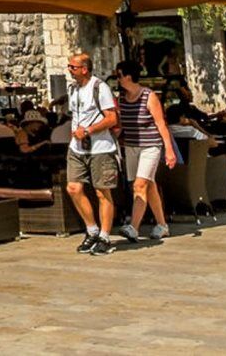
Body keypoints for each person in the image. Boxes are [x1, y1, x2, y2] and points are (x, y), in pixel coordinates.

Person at [112, 63, 179, 243]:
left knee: (139, 185)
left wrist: (169, 150)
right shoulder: (122, 99)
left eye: (119, 75)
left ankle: (133, 227)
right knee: (149, 186)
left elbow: (161, 124)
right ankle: (162, 225)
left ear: (128, 76)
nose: (117, 79)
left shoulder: (149, 96)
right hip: (132, 146)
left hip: (151, 146)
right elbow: (121, 125)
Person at [62, 52, 120, 254]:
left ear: (84, 69)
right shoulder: (72, 89)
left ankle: (105, 236)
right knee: (73, 188)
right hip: (77, 147)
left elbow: (112, 118)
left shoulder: (99, 87)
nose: (69, 70)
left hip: (100, 148)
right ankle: (92, 230)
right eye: (69, 66)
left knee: (102, 192)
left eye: (73, 67)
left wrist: (88, 130)